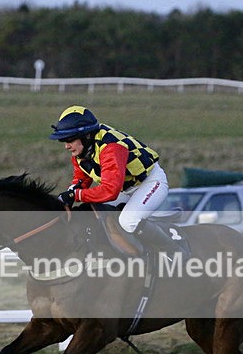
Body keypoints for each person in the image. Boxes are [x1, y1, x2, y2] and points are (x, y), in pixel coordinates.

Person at [49, 105, 183, 256]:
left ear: (86, 136)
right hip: (124, 189)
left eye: (70, 140)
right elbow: (81, 179)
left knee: (128, 221)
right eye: (64, 141)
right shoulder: (82, 151)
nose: (66, 146)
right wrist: (67, 197)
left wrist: (76, 196)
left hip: (150, 183)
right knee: (92, 210)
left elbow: (109, 190)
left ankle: (175, 250)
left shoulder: (112, 148)